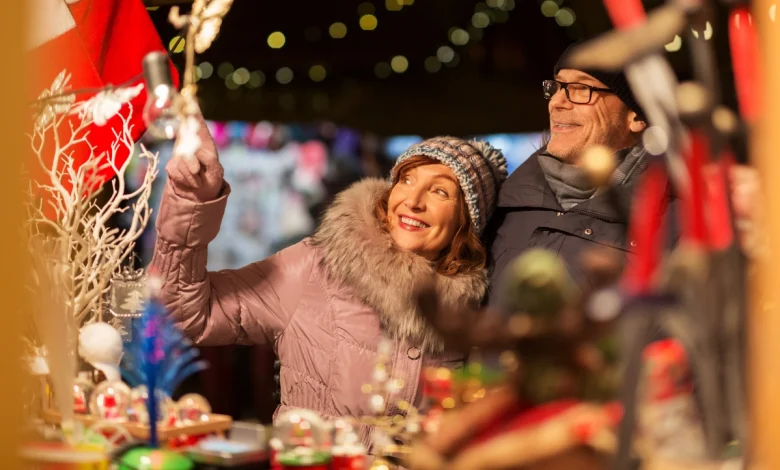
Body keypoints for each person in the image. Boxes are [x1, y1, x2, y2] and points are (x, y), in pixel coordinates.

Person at [149, 129, 507, 447]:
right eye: (407, 180)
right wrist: (190, 201)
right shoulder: (317, 266)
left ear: (467, 221)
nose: (413, 200)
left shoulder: (471, 313)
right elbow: (184, 314)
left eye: (440, 191)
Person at [486, 46, 761, 298]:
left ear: (637, 116)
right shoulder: (501, 206)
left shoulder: (683, 219)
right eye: (556, 86)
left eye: (581, 88)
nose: (556, 102)